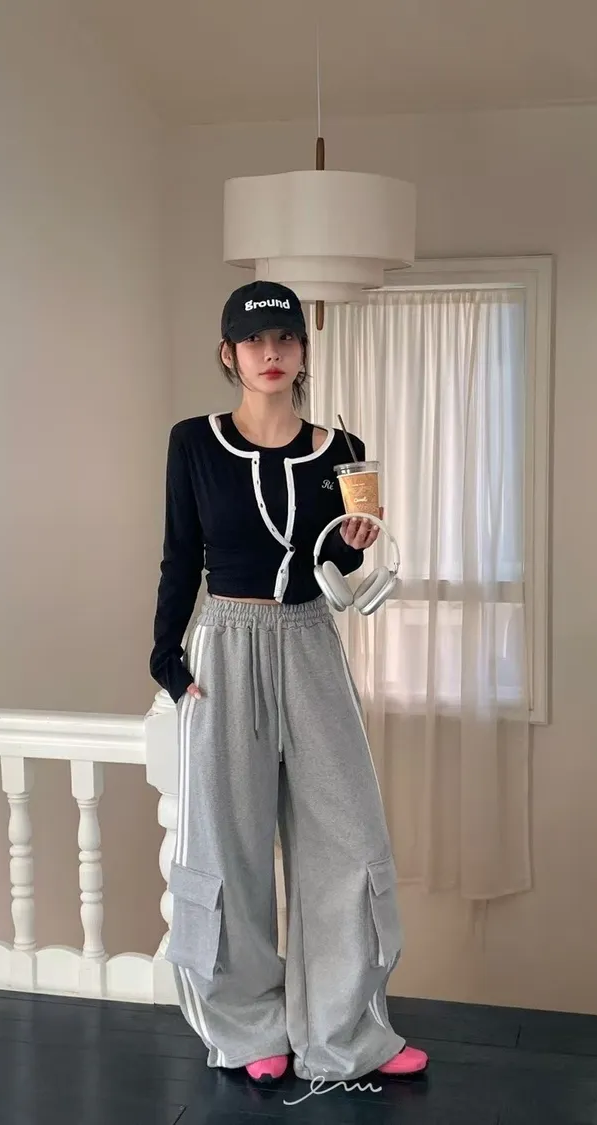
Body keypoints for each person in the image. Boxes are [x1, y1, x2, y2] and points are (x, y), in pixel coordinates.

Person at [149, 279, 428, 1085]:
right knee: (226, 844)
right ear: (229, 353)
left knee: (348, 837)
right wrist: (167, 657)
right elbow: (180, 554)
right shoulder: (193, 443)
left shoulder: (343, 449)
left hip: (309, 641)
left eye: (285, 339)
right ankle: (248, 1029)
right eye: (254, 341)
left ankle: (344, 1034)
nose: (270, 353)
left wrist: (354, 542)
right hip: (224, 644)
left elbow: (328, 564)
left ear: (303, 350)